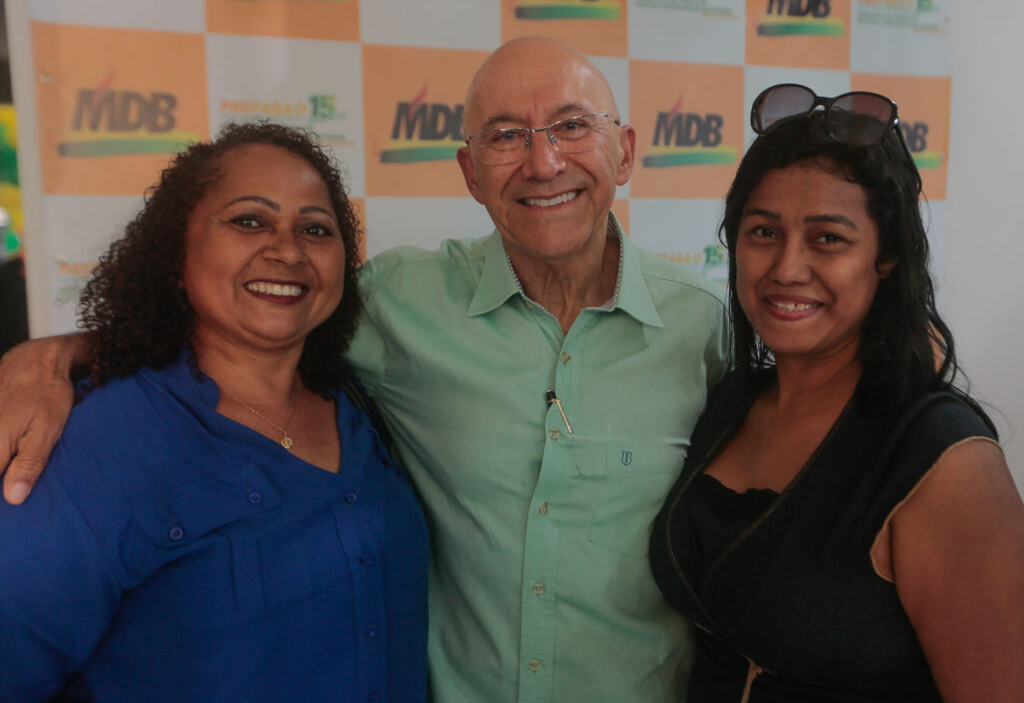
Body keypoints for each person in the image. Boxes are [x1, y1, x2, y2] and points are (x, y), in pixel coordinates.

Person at [0, 38, 729, 701]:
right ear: (471, 173)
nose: (543, 162)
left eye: (572, 126)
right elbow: (247, 316)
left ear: (625, 151)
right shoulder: (398, 303)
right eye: (506, 135)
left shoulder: (708, 326)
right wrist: (50, 356)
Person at [0, 121, 428, 701]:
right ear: (176, 249)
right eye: (249, 220)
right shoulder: (96, 444)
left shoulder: (363, 406)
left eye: (315, 229)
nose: (288, 250)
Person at [649, 84, 1024, 702]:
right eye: (763, 232)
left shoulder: (946, 460)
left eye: (828, 238)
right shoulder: (731, 401)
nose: (787, 268)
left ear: (887, 257)